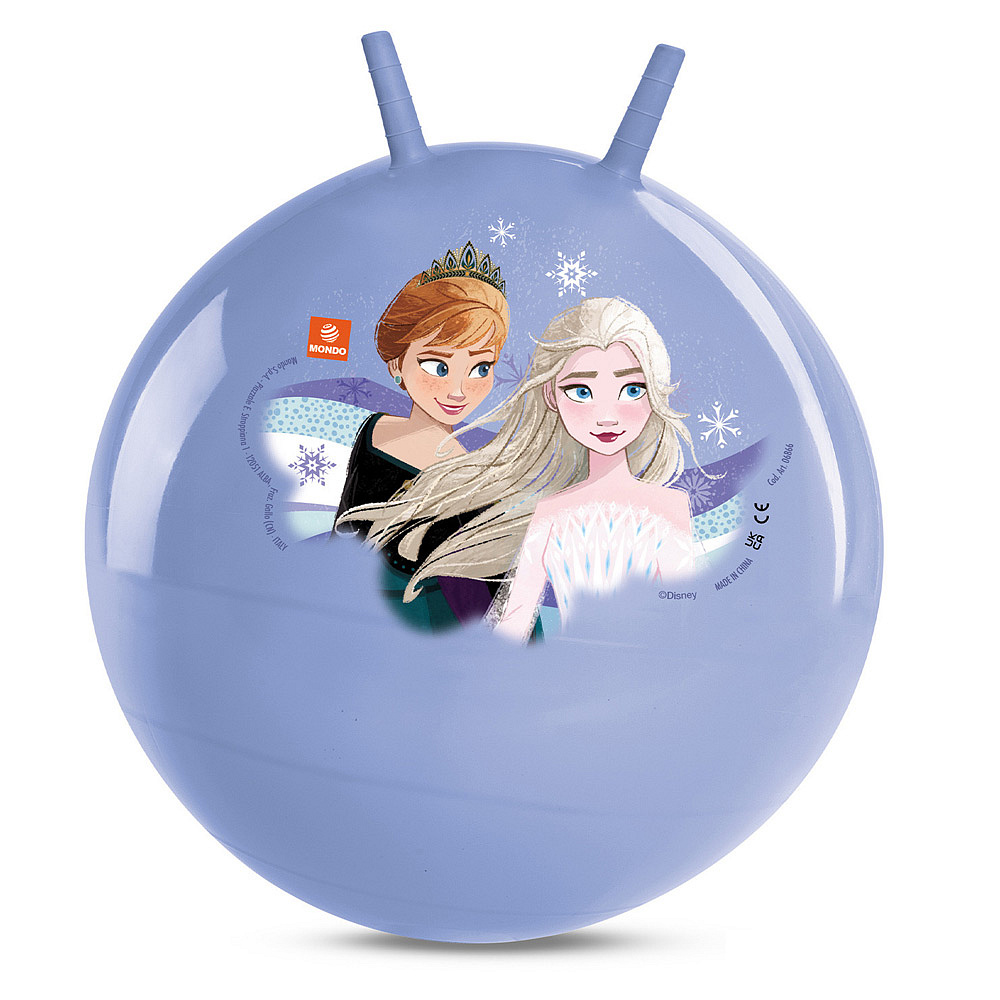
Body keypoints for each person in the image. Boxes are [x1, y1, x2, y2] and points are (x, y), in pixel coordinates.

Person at [344, 296, 702, 643]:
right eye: (581, 391)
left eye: (633, 389)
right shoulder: (550, 513)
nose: (607, 416)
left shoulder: (668, 508)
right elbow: (513, 625)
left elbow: (684, 621)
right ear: (551, 395)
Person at [335, 241, 511, 631]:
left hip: (426, 631)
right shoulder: (374, 430)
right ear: (397, 364)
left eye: (481, 368)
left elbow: (488, 593)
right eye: (437, 366)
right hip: (343, 613)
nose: (459, 391)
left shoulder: (476, 477)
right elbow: (343, 529)